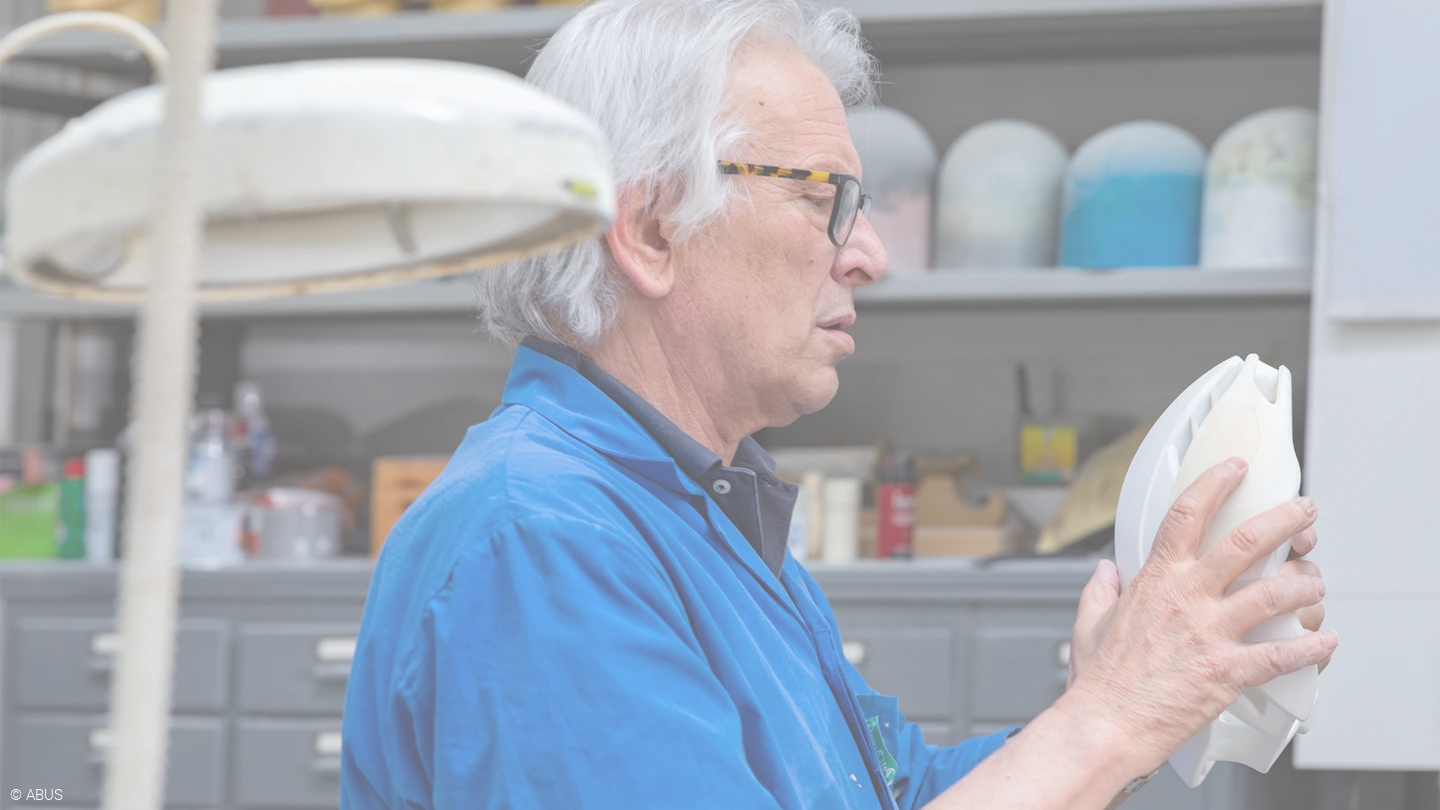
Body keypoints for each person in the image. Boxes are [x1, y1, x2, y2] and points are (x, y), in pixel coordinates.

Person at [339, 1, 1335, 808]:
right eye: (825, 200)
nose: (872, 254)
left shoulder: (704, 511)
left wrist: (1113, 703)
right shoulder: (544, 537)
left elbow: (889, 796)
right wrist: (1112, 719)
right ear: (648, 229)